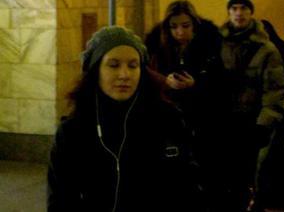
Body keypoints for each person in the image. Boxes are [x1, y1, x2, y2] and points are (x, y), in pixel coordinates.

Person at [47, 26, 201, 212]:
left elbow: (188, 189)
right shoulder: (73, 131)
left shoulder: (167, 120)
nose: (124, 75)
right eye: (113, 65)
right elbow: (61, 200)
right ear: (96, 70)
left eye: (133, 65)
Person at [147, 0, 229, 211]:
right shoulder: (157, 47)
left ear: (194, 25)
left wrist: (197, 84)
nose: (180, 32)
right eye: (174, 27)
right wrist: (165, 81)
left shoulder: (211, 46)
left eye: (185, 26)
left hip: (204, 122)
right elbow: (147, 75)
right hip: (168, 122)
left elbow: (222, 85)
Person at [220, 0, 284, 211]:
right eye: (234, 8)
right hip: (223, 122)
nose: (239, 13)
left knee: (250, 178)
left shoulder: (266, 49)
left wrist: (264, 123)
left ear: (251, 12)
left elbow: (274, 89)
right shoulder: (217, 44)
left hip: (252, 122)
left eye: (244, 8)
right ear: (229, 12)